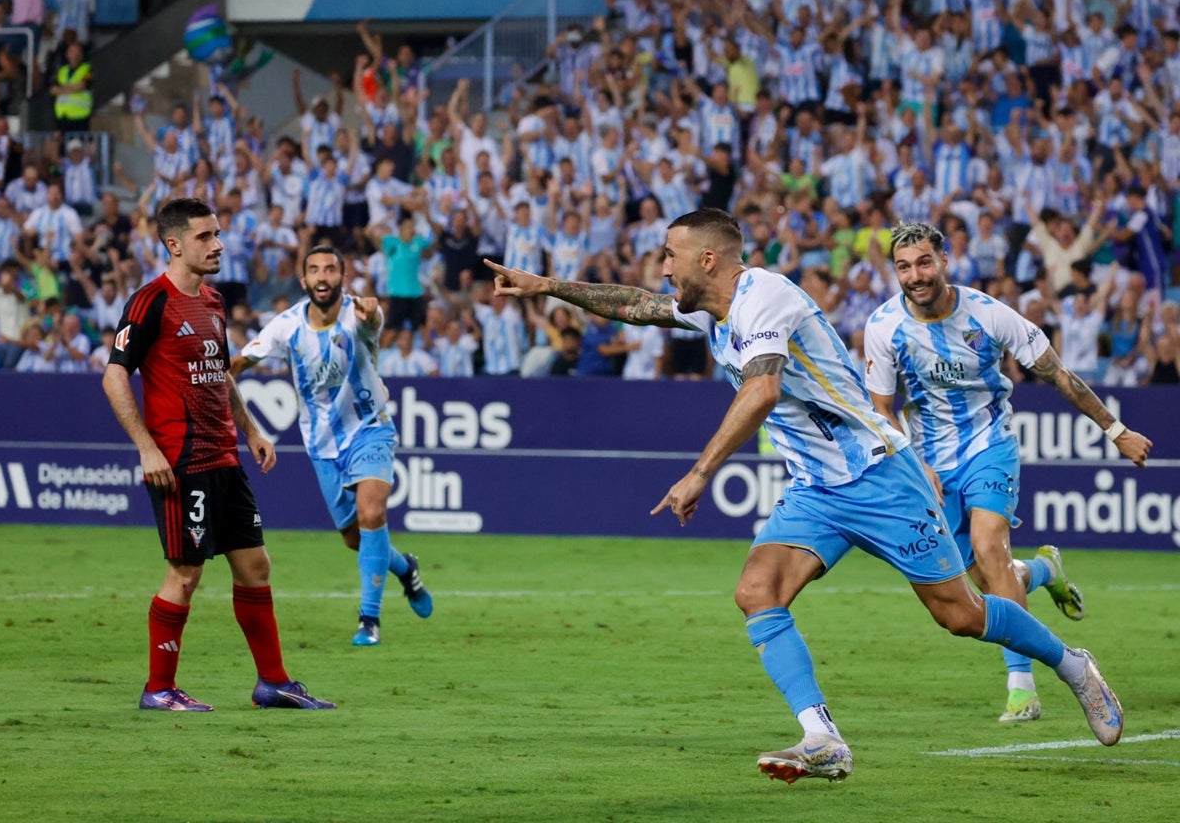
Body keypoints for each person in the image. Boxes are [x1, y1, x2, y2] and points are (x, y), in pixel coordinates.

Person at [485, 208, 1126, 785]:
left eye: (670, 254)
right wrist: (548, 287)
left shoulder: (765, 297)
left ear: (708, 258)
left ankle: (1072, 666)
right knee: (756, 591)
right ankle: (823, 737)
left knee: (962, 615)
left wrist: (700, 473)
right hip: (818, 488)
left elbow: (761, 392)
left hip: (878, 475)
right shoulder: (713, 307)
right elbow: (637, 305)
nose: (663, 266)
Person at [864, 222, 1153, 723]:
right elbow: (881, 408)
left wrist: (1116, 430)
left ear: (946, 260)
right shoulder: (883, 326)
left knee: (988, 546)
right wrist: (915, 463)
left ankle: (1022, 687)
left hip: (988, 445)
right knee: (975, 584)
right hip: (929, 461)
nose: (915, 275)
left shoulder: (990, 315)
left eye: (924, 262)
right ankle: (1042, 571)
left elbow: (1059, 374)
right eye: (904, 267)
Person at [102, 197, 334, 711]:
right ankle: (158, 689)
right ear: (174, 244)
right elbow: (115, 375)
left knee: (255, 565)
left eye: (218, 234)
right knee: (185, 574)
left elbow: (221, 370)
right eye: (205, 237)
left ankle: (273, 682)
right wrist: (147, 448)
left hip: (224, 457)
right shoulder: (150, 302)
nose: (218, 244)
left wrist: (250, 430)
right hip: (180, 461)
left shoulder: (212, 301)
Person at [229, 244, 433, 647]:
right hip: (322, 445)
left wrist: (372, 313)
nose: (323, 277)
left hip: (371, 428)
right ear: (303, 280)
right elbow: (239, 363)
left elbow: (372, 320)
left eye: (331, 269)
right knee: (356, 539)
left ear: (343, 277)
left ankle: (369, 619)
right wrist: (210, 369)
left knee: (372, 511)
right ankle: (404, 567)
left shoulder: (358, 314)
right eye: (315, 270)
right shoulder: (285, 326)